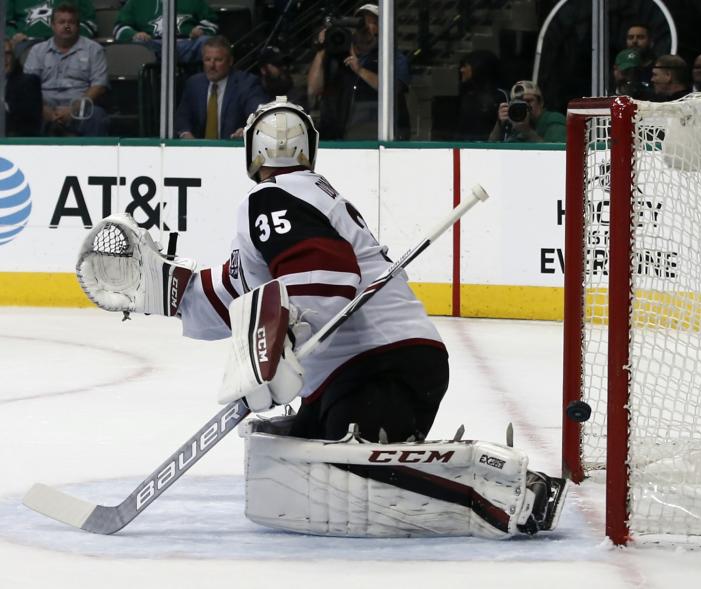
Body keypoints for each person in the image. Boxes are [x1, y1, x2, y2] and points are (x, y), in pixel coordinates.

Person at [76, 96, 568, 539]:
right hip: (381, 364)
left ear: (252, 153)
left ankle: (504, 486)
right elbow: (241, 290)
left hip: (377, 363)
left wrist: (273, 345)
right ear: (308, 149)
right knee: (290, 453)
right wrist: (170, 291)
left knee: (347, 468)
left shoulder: (270, 199)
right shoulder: (299, 202)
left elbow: (327, 280)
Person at [306, 3, 411, 140]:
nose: (365, 28)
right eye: (360, 22)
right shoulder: (336, 56)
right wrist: (323, 49)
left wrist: (360, 70)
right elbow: (313, 90)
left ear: (382, 28)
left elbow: (394, 89)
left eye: (372, 22)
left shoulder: (392, 57)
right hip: (337, 138)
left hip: (376, 138)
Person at [22, 3, 108, 136]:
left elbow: (99, 85)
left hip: (79, 105)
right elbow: (27, 86)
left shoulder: (94, 49)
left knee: (97, 116)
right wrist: (42, 109)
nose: (66, 26)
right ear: (52, 25)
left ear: (78, 26)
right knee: (24, 111)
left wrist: (73, 109)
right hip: (44, 106)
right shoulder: (37, 51)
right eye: (61, 22)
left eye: (71, 22)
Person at [174, 36, 268, 139]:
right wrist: (185, 133)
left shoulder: (247, 83)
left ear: (230, 61)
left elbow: (258, 114)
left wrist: (247, 129)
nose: (212, 65)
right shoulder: (194, 84)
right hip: (198, 150)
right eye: (207, 60)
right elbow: (182, 117)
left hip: (233, 151)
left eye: (218, 60)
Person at [112, 0, 218, 63]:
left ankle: (201, 89)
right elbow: (119, 28)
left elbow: (211, 21)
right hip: (153, 45)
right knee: (139, 44)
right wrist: (135, 34)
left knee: (206, 42)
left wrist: (200, 30)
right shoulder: (135, 2)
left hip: (187, 43)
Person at [6, 0, 97, 61]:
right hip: (26, 44)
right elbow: (5, 23)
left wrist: (69, 34)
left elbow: (89, 23)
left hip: (66, 43)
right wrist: (13, 35)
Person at [488, 80, 566, 143]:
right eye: (518, 102)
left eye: (528, 101)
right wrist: (499, 124)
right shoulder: (514, 119)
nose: (525, 106)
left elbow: (555, 154)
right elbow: (489, 151)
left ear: (541, 102)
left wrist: (526, 131)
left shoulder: (553, 120)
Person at [456, 49, 501, 141]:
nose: (461, 70)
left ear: (478, 67)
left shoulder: (500, 97)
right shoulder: (467, 97)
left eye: (465, 66)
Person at [4, 38, 43, 136]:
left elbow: (28, 125)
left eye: (7, 54)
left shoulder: (27, 83)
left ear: (13, 57)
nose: (4, 59)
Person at [258, 45, 309, 112]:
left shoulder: (298, 96)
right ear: (263, 70)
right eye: (278, 64)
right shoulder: (254, 94)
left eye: (286, 64)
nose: (284, 68)